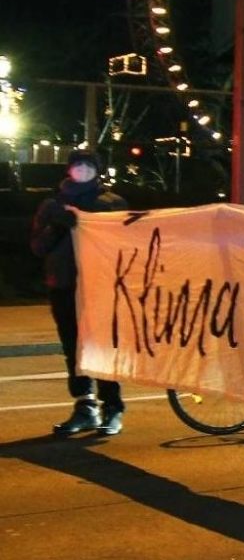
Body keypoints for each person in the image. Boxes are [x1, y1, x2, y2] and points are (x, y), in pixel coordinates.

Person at [30, 148, 130, 436]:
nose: (82, 170)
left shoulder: (111, 203)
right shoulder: (52, 205)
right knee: (73, 347)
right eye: (77, 165)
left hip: (100, 287)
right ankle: (85, 406)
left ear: (96, 171)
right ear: (69, 170)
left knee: (102, 346)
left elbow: (125, 243)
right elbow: (37, 247)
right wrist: (56, 227)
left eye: (88, 166)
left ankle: (112, 407)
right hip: (63, 284)